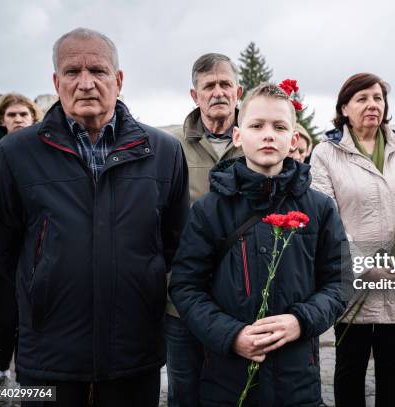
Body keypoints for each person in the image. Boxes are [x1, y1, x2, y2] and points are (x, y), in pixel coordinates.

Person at [0, 27, 188, 406]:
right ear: (56, 82)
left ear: (119, 80)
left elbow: (173, 243)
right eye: (73, 72)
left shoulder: (164, 152)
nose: (86, 82)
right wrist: (45, 280)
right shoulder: (13, 153)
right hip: (44, 359)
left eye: (98, 71)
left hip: (134, 356)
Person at [169, 83, 348, 406]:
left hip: (297, 382)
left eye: (279, 127)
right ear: (238, 136)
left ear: (293, 139)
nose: (268, 134)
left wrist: (300, 321)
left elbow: (338, 284)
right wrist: (231, 335)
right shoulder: (209, 210)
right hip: (227, 381)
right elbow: (186, 287)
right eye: (256, 125)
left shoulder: (320, 209)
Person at [310, 72, 395, 407]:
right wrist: (363, 264)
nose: (372, 105)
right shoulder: (325, 153)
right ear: (344, 108)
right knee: (350, 366)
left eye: (378, 98)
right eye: (362, 98)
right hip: (353, 281)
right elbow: (326, 217)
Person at [166, 52, 243, 407]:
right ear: (194, 96)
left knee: (236, 389)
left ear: (238, 90)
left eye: (225, 84)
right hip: (181, 299)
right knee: (185, 389)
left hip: (241, 296)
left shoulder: (256, 140)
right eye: (208, 86)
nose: (218, 92)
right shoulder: (170, 149)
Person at [0, 93, 42, 398]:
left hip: (38, 251)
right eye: (12, 115)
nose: (18, 120)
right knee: (5, 317)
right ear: (1, 120)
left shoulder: (42, 150)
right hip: (0, 255)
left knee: (39, 316)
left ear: (33, 118)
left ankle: (33, 381)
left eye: (23, 115)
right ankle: (3, 371)